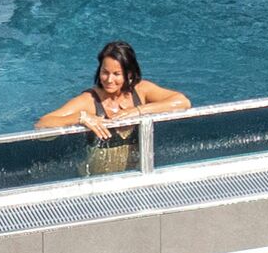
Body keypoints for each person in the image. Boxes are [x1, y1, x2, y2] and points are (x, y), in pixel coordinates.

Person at [40, 40, 189, 174]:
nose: (109, 79)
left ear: (129, 74)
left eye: (116, 74)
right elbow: (42, 124)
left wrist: (138, 111)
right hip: (96, 182)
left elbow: (182, 102)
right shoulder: (89, 100)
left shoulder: (141, 91)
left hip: (135, 176)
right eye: (105, 72)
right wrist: (81, 117)